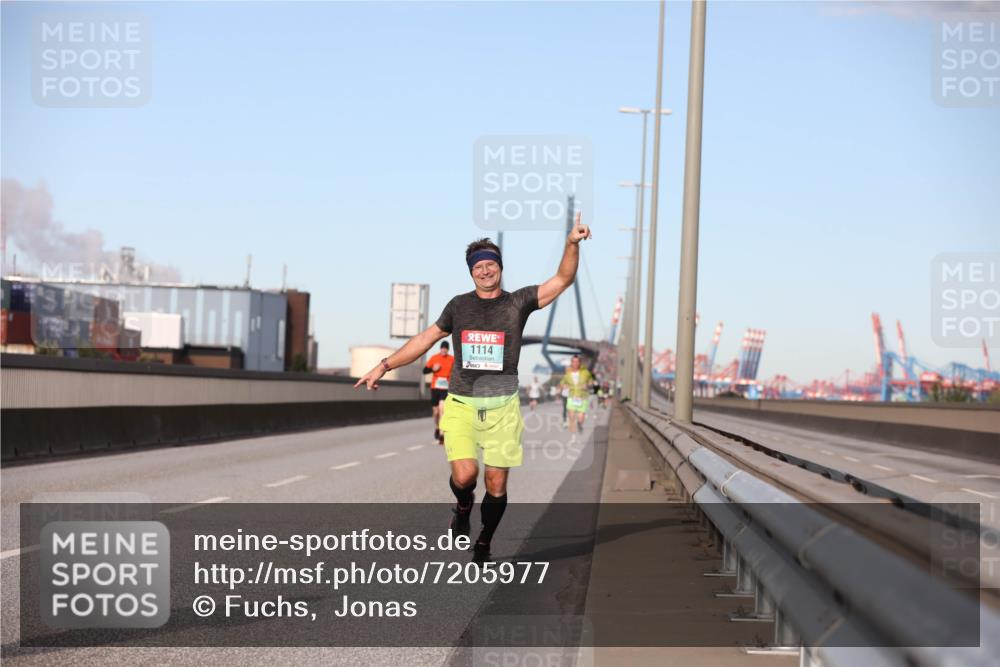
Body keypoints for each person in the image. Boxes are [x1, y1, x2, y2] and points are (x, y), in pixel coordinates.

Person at [355, 213, 592, 563]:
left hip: (503, 407)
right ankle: (463, 506)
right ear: (471, 272)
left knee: (497, 485)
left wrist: (571, 243)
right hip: (462, 404)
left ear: (499, 268)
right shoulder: (458, 306)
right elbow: (424, 339)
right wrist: (385, 365)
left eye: (490, 265)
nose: (484, 271)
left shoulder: (518, 302)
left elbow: (562, 279)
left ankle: (484, 540)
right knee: (466, 476)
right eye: (478, 266)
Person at [423, 340, 454, 444]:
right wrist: (433, 369)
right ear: (440, 349)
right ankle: (437, 427)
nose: (444, 350)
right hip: (435, 388)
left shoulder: (452, 359)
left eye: (446, 348)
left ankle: (441, 434)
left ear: (448, 349)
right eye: (442, 348)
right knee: (435, 412)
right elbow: (424, 371)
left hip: (445, 388)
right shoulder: (434, 358)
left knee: (442, 410)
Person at [561, 355, 593, 437]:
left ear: (579, 362)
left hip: (582, 397)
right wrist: (564, 385)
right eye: (573, 361)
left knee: (581, 418)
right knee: (571, 416)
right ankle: (573, 434)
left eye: (577, 361)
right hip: (572, 396)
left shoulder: (585, 372)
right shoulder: (568, 373)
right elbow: (562, 382)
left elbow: (591, 381)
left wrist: (587, 385)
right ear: (571, 363)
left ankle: (579, 424)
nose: (575, 363)